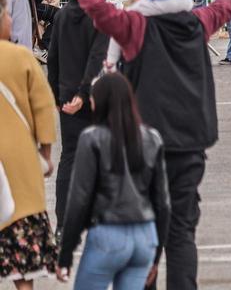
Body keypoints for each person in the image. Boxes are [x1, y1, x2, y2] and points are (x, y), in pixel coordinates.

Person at [70, 0, 231, 290]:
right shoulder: (197, 23)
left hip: (142, 143)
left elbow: (95, 6)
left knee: (144, 224)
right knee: (181, 230)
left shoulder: (135, 27)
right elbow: (230, 0)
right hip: (189, 142)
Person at [56, 73, 170, 290]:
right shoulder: (151, 138)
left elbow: (79, 200)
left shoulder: (92, 138)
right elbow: (162, 203)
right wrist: (155, 256)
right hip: (145, 235)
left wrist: (66, 253)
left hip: (109, 233)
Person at [45, 0, 113, 225]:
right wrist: (84, 94)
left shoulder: (63, 14)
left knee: (70, 157)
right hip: (93, 97)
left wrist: (57, 95)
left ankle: (63, 221)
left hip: (66, 97)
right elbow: (97, 57)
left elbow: (53, 58)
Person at [0, 0, 58, 289]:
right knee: (24, 266)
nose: (11, 20)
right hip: (18, 167)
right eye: (7, 16)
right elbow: (43, 107)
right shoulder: (21, 58)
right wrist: (45, 153)